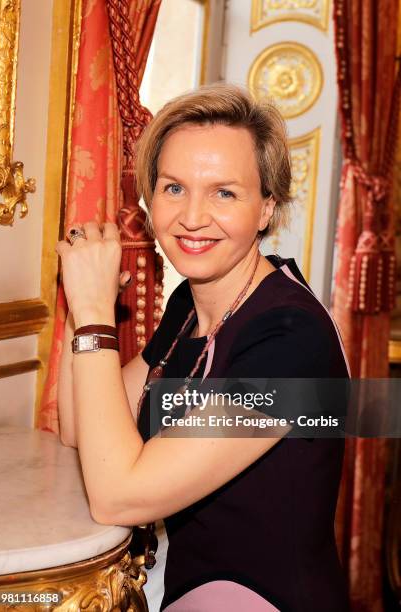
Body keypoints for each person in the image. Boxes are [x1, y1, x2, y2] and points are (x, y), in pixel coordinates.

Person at [57, 83, 350, 611]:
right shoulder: (191, 305)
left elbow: (118, 494)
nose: (191, 217)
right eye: (173, 188)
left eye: (224, 192)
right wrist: (83, 307)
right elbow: (81, 428)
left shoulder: (293, 340)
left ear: (266, 208)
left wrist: (98, 318)